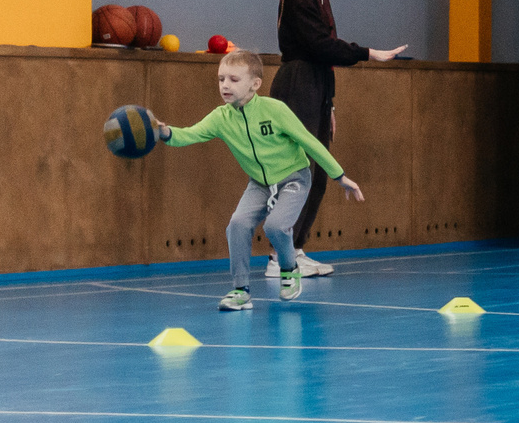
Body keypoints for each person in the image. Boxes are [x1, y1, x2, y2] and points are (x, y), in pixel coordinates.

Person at [154, 48, 365, 311]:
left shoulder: (275, 110)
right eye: (221, 79)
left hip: (294, 178)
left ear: (255, 84)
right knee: (237, 225)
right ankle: (240, 290)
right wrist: (165, 132)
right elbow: (189, 134)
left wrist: (339, 176)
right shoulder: (221, 117)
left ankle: (289, 269)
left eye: (234, 79)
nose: (225, 85)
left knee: (275, 226)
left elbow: (310, 142)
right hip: (260, 184)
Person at [271, 0, 404, 277]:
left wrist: (329, 103)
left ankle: (294, 249)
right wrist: (370, 53)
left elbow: (324, 55)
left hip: (316, 84)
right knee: (298, 169)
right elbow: (320, 46)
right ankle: (278, 256)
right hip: (297, 82)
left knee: (318, 169)